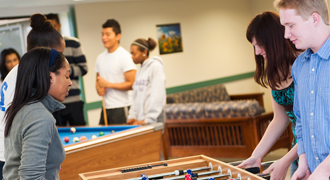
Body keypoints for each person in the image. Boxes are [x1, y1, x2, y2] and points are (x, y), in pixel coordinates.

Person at [237, 11, 302, 179]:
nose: (257, 52)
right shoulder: (274, 73)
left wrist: (286, 160)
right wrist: (257, 154)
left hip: (317, 149)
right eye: (254, 46)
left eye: (260, 45)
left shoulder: (303, 65)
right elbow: (279, 119)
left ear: (275, 40)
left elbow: (312, 127)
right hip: (298, 149)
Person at [0, 13, 65, 179]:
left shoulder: (20, 72)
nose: (61, 60)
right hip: (8, 156)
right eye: (58, 54)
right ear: (43, 53)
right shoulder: (27, 78)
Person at [274, 0, 330, 179]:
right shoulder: (299, 66)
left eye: (291, 25)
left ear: (314, 18)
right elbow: (301, 122)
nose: (286, 34)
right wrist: (304, 163)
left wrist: (324, 170)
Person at [46, 13, 88, 126]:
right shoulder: (44, 48)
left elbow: (84, 68)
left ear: (59, 25)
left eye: (54, 26)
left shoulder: (73, 43)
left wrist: (64, 72)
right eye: (49, 27)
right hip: (54, 103)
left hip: (74, 100)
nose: (52, 29)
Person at [95, 19, 136, 125]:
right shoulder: (100, 58)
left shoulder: (125, 56)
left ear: (118, 36)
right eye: (102, 34)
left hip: (122, 107)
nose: (104, 37)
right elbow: (98, 81)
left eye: (108, 34)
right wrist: (99, 89)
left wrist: (108, 84)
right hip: (106, 107)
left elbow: (132, 84)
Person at [127, 38, 166, 125]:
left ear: (144, 52)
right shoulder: (139, 72)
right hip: (142, 121)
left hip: (154, 120)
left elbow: (158, 95)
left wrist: (149, 119)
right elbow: (135, 97)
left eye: (134, 53)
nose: (131, 56)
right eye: (131, 53)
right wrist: (132, 116)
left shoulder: (155, 67)